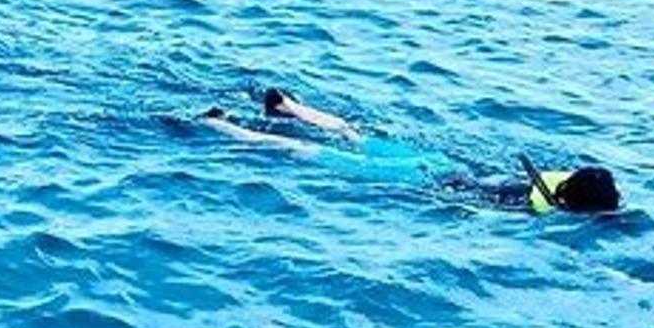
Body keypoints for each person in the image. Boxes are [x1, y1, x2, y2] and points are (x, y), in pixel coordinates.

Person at [202, 87, 622, 214]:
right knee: (305, 154)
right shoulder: (546, 209)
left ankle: (287, 107)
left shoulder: (555, 180)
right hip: (427, 179)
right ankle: (221, 126)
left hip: (444, 165)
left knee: (352, 133)